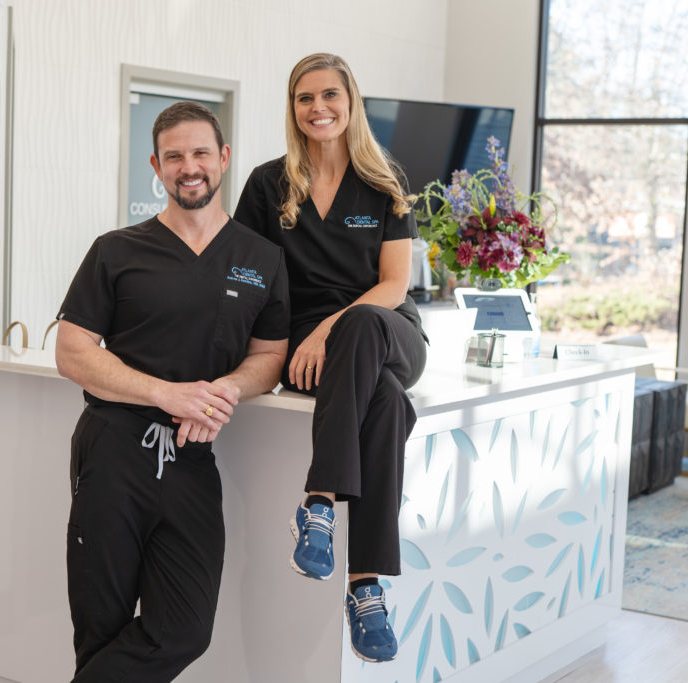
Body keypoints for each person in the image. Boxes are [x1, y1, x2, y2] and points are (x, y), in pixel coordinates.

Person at [55, 101, 290, 682]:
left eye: (201, 153)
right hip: (113, 452)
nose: (190, 167)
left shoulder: (261, 258)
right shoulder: (116, 250)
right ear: (156, 166)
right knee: (101, 624)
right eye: (175, 156)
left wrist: (224, 392)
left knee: (185, 628)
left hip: (191, 461)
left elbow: (270, 357)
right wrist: (166, 394)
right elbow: (72, 352)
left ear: (224, 159)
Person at [234, 53, 428, 663]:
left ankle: (319, 501)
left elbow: (393, 286)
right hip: (312, 358)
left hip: (389, 334)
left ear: (351, 101)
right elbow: (247, 278)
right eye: (303, 98)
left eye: (329, 95)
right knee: (388, 409)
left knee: (367, 323)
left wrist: (327, 331)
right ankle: (364, 585)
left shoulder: (384, 181)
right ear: (292, 109)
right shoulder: (269, 185)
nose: (318, 108)